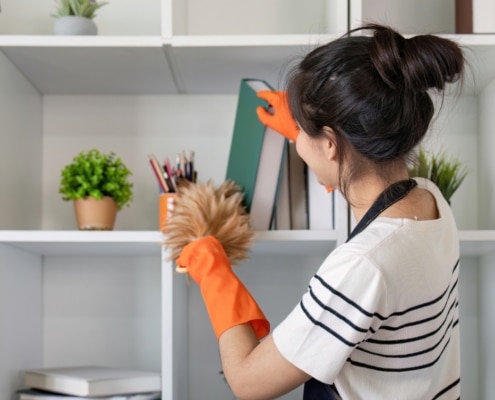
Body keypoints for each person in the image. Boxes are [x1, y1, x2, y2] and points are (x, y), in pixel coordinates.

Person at [176, 23, 465, 400]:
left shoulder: (362, 267)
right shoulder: (431, 202)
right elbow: (367, 187)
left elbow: (248, 382)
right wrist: (313, 134)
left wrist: (213, 272)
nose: (296, 141)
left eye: (302, 132)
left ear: (331, 143)